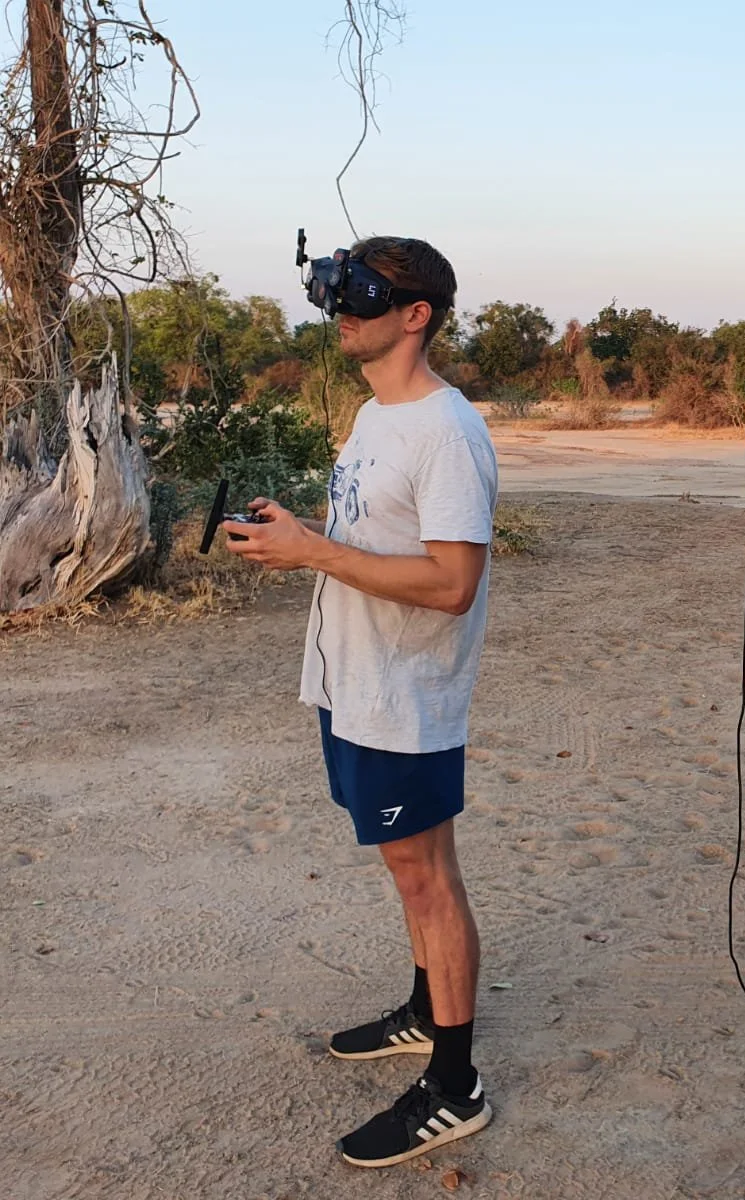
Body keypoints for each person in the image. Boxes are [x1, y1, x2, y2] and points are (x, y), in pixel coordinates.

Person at [224, 236, 498, 1168]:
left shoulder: (446, 432)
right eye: (335, 293)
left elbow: (452, 584)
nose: (342, 311)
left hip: (405, 698)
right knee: (410, 872)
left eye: (363, 295)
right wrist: (292, 533)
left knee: (427, 877)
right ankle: (428, 1011)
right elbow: (370, 534)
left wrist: (313, 553)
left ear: (415, 313)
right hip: (352, 681)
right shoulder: (377, 415)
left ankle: (455, 1085)